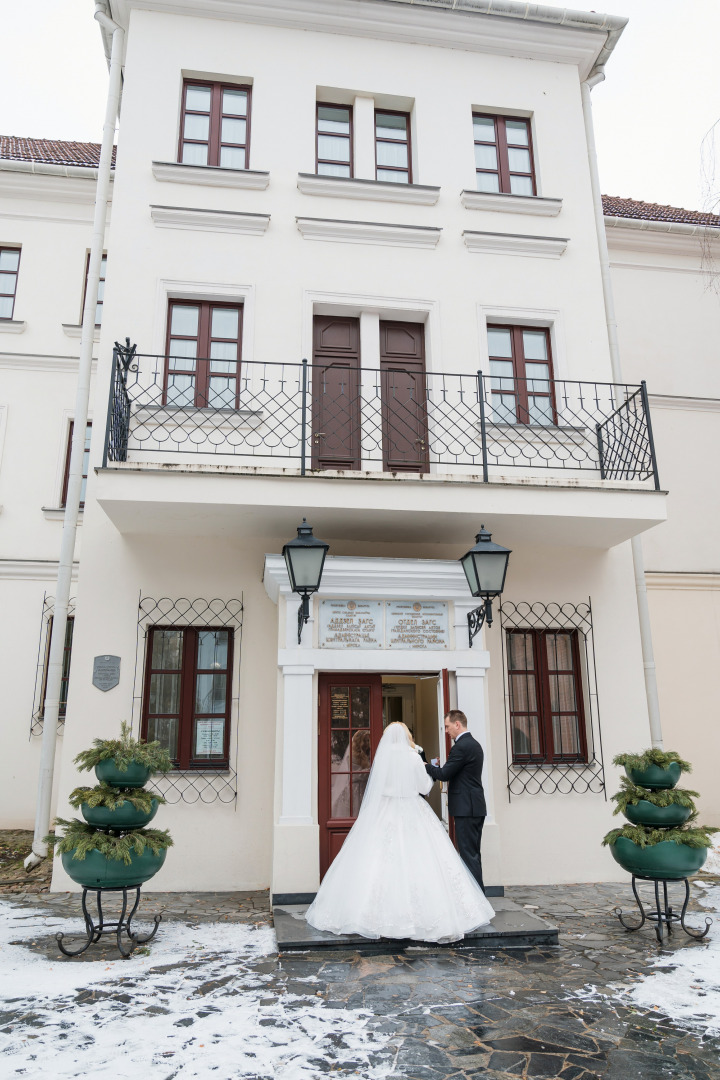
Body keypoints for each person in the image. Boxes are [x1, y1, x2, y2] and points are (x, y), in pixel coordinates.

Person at [305, 721, 494, 942]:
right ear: (407, 736)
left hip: (384, 810)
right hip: (410, 808)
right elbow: (423, 787)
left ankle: (364, 914)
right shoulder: (413, 756)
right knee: (424, 858)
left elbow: (376, 786)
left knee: (375, 858)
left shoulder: (382, 758)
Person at [425, 710, 487, 893]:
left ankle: (477, 899)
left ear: (457, 724)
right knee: (473, 854)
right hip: (475, 806)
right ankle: (478, 896)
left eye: (447, 726)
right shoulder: (474, 744)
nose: (446, 731)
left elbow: (444, 774)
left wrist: (426, 766)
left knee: (468, 855)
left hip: (466, 808)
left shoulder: (461, 746)